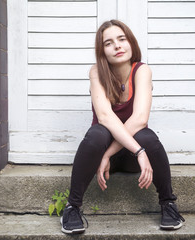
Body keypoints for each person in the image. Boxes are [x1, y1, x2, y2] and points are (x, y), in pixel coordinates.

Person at [60, 19, 185, 234]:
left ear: (131, 42)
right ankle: (72, 207)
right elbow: (105, 117)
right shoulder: (96, 72)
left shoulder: (142, 71)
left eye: (121, 39)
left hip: (128, 157)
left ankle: (168, 204)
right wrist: (111, 152)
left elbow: (139, 119)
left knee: (146, 136)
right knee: (98, 133)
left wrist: (112, 154)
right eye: (108, 43)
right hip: (99, 151)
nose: (117, 46)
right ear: (102, 51)